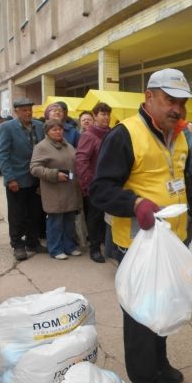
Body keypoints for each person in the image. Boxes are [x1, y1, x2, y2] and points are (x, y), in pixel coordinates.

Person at [90, 68, 192, 383]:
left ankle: (159, 365)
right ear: (149, 97)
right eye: (170, 100)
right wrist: (135, 203)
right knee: (142, 325)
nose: (178, 109)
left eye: (182, 103)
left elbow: (182, 182)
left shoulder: (179, 136)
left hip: (172, 245)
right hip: (139, 247)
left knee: (164, 310)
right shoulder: (125, 135)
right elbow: (100, 189)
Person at [0, 97, 46, 261]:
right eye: (24, 110)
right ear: (16, 112)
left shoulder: (39, 126)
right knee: (17, 214)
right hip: (17, 179)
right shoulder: (7, 127)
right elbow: (2, 155)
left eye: (30, 109)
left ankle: (32, 241)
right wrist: (10, 178)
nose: (28, 113)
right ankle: (17, 244)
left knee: (35, 212)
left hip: (36, 178)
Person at [30, 119, 82, 260]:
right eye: (54, 130)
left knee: (69, 220)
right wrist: (54, 174)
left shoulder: (67, 145)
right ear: (47, 132)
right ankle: (55, 249)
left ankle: (69, 246)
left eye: (60, 129)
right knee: (56, 221)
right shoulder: (41, 147)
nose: (58, 132)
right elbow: (34, 168)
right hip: (54, 190)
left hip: (70, 189)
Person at [75, 102, 112, 263]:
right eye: (103, 114)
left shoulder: (111, 133)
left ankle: (108, 245)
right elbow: (81, 160)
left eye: (108, 114)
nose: (106, 117)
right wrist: (88, 183)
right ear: (95, 116)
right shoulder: (88, 135)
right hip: (95, 184)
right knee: (95, 217)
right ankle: (95, 248)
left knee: (109, 216)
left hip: (111, 183)